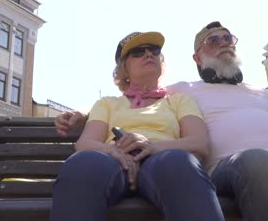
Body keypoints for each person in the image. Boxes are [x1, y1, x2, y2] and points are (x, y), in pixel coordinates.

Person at [55, 22, 268, 221]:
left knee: (183, 163)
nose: (224, 43)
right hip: (242, 166)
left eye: (229, 38)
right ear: (197, 57)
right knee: (84, 164)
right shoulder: (184, 90)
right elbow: (101, 120)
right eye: (214, 40)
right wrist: (81, 115)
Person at [50, 31, 225, 221]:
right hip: (114, 161)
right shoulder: (108, 103)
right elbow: (85, 143)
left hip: (163, 160)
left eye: (154, 50)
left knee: (180, 163)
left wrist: (150, 147)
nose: (149, 54)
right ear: (124, 68)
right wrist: (116, 152)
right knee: (83, 164)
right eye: (138, 52)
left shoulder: (179, 101)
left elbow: (199, 143)